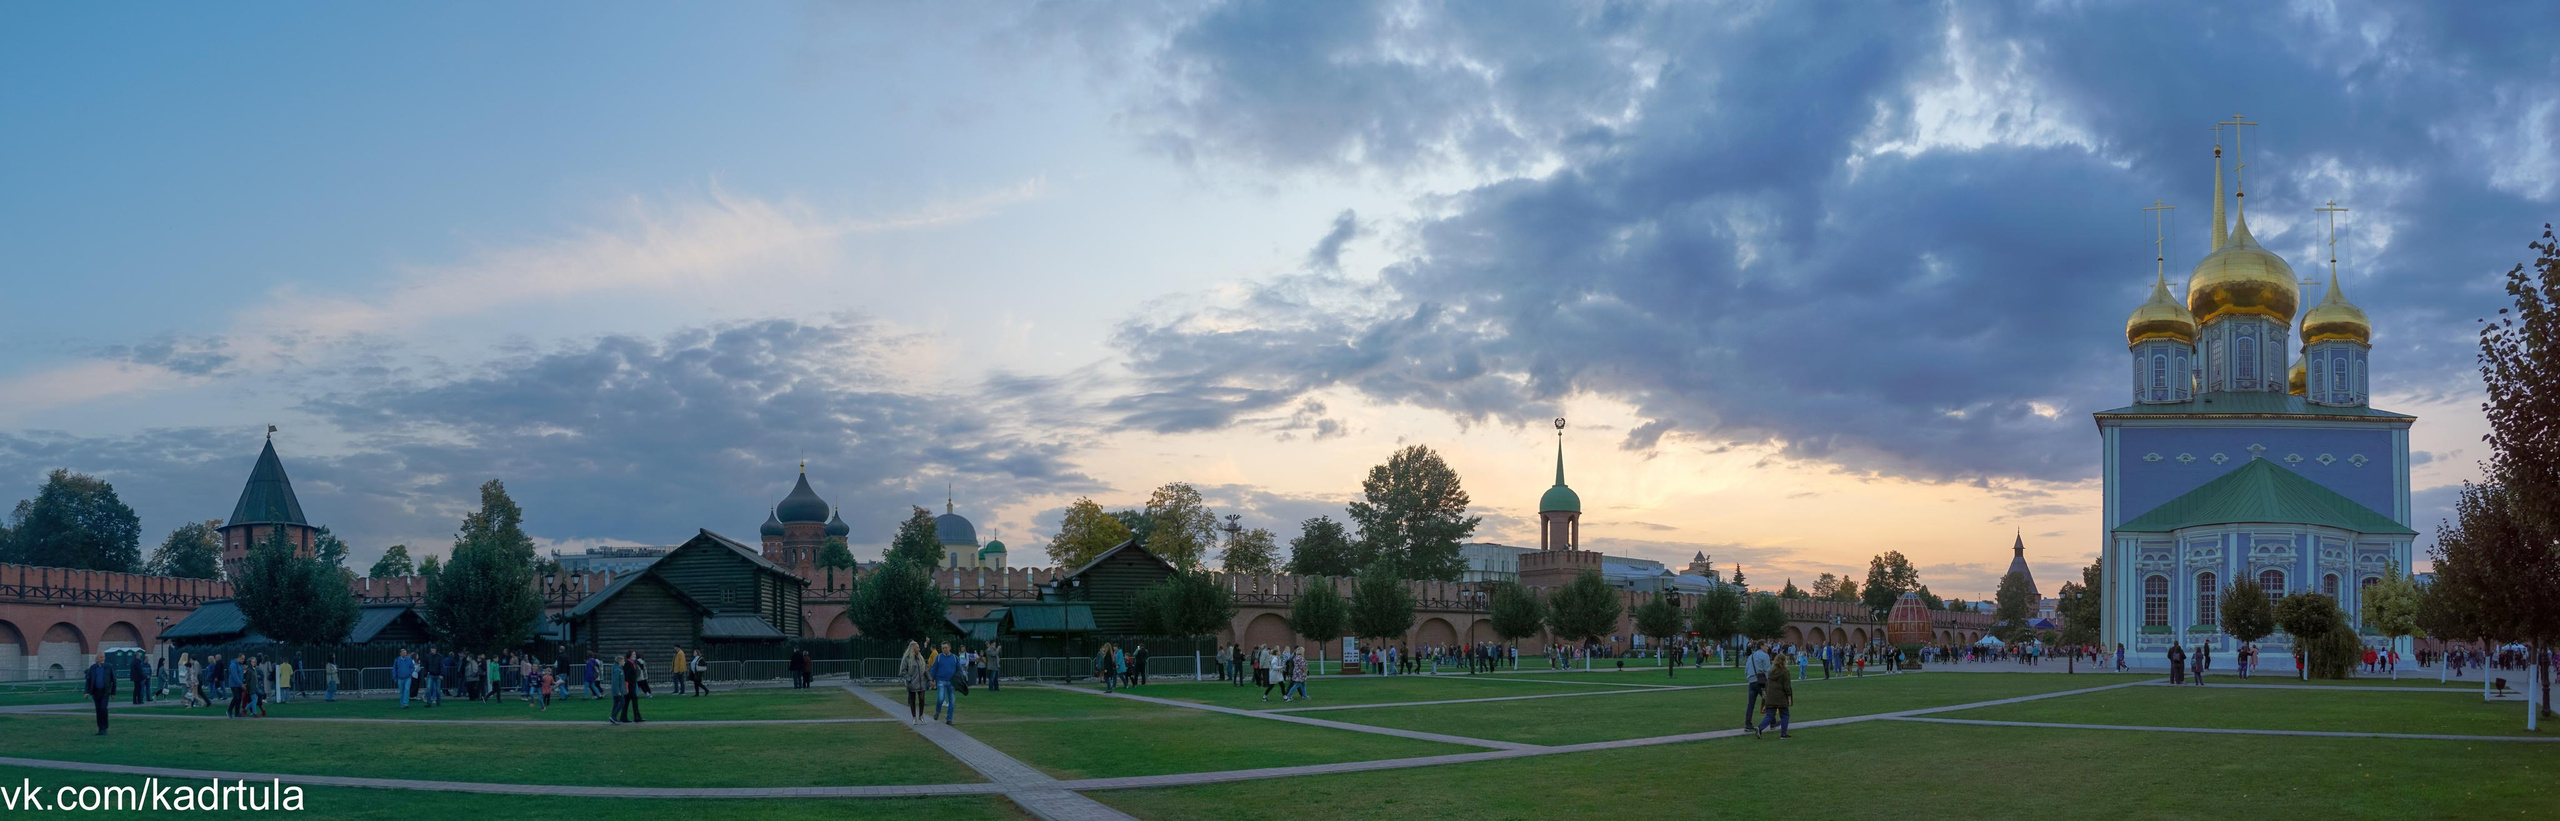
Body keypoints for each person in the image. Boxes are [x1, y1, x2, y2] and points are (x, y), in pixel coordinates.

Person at [1755, 651, 1793, 740]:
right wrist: (1789, 697)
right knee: (1785, 715)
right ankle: (1783, 734)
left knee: (1770, 715)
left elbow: (1767, 685)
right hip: (1781, 697)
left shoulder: (1771, 672)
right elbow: (1787, 686)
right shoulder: (1785, 672)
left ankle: (1760, 728)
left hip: (1771, 697)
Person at [930, 641, 962, 724]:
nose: (944, 649)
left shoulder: (955, 658)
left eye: (946, 647)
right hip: (941, 681)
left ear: (949, 647)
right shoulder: (939, 657)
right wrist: (931, 679)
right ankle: (937, 711)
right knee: (940, 698)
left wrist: (961, 680)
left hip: (951, 682)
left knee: (952, 700)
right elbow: (933, 669)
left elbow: (959, 670)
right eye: (943, 648)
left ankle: (949, 718)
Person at [899, 641, 930, 723]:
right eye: (917, 647)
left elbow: (925, 669)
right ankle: (914, 717)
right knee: (912, 700)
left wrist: (930, 679)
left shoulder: (920, 658)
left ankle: (921, 716)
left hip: (921, 683)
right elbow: (903, 670)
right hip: (912, 683)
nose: (919, 649)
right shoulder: (907, 659)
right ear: (913, 648)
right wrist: (909, 679)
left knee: (922, 699)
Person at [1742, 641, 1771, 729]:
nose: (1767, 648)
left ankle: (1748, 724)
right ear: (1761, 646)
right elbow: (1767, 670)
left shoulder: (1751, 656)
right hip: (1761, 683)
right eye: (1766, 646)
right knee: (1769, 701)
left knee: (1750, 704)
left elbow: (1746, 670)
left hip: (1751, 682)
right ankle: (1772, 722)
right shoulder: (1765, 656)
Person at [608, 651, 630, 724]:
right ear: (620, 661)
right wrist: (618, 691)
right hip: (617, 691)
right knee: (622, 702)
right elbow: (615, 681)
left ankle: (613, 717)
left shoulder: (619, 669)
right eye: (623, 660)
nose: (624, 662)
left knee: (616, 704)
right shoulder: (618, 670)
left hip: (618, 690)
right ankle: (613, 716)